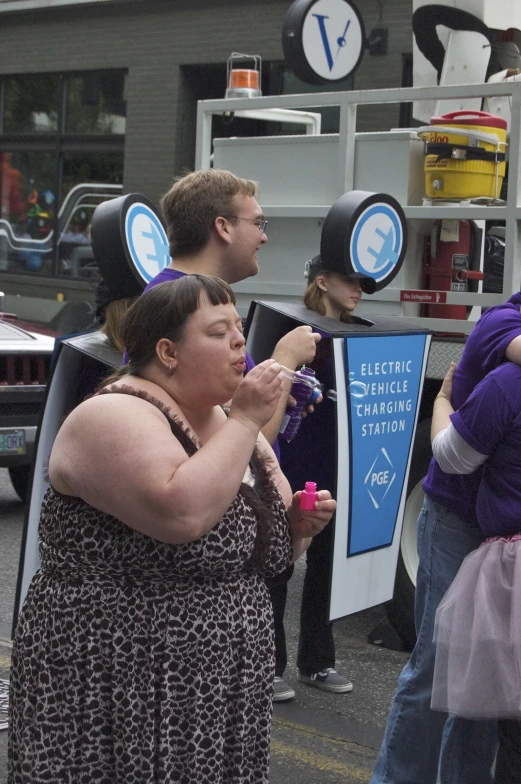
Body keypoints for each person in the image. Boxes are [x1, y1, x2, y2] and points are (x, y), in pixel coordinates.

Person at [8, 275, 336, 784]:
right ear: (167, 351)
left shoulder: (226, 417)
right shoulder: (113, 412)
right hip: (116, 687)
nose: (238, 342)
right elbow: (182, 513)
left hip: (217, 692)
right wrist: (249, 418)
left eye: (238, 329)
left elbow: (270, 559)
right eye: (217, 331)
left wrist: (297, 527)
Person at [370, 290, 521, 784]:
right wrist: (440, 402)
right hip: (459, 520)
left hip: (505, 539)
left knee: (485, 679)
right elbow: (453, 456)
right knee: (438, 668)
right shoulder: (501, 325)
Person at [123, 169, 321, 454]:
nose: (263, 238)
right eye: (258, 223)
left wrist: (277, 394)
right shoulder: (173, 306)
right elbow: (243, 444)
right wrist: (285, 361)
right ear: (223, 227)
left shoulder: (180, 298)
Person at [271, 255, 376, 701]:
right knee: (278, 566)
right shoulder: (298, 336)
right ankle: (268, 666)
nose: (358, 290)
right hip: (295, 469)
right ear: (321, 281)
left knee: (328, 568)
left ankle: (317, 662)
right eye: (348, 281)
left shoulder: (361, 336)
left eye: (362, 283)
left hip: (339, 470)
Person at [430, 359, 521, 783]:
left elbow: (453, 457)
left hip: (512, 571)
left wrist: (443, 401)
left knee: (511, 724)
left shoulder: (507, 383)